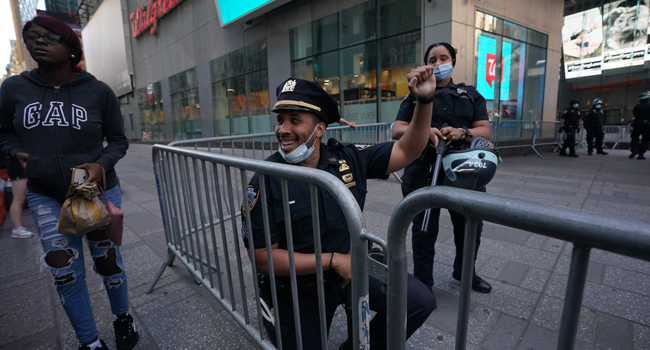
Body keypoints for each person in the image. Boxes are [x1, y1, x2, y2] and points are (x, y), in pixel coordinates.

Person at [242, 74, 437, 350]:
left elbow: (407, 149)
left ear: (319, 129)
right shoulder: (266, 179)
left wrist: (424, 100)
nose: (283, 129)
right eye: (280, 120)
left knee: (418, 302)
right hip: (300, 286)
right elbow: (262, 258)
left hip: (351, 267)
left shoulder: (347, 157)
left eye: (294, 120)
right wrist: (332, 260)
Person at [0, 15, 137, 350]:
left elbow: (118, 140)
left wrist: (100, 164)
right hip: (45, 193)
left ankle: (123, 317)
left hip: (93, 189)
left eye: (49, 36)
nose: (38, 41)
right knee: (65, 270)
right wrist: (17, 151)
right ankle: (89, 342)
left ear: (71, 47)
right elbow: (4, 131)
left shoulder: (98, 91)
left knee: (108, 262)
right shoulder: (14, 88)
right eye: (31, 36)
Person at [392, 42, 493, 294]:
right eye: (432, 60)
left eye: (443, 58)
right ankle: (423, 283)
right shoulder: (417, 93)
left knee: (470, 227)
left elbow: (485, 129)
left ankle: (465, 272)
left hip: (465, 172)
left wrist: (462, 132)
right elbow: (397, 129)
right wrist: (426, 131)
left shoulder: (471, 94)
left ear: (453, 61)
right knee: (424, 229)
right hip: (423, 171)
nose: (438, 64)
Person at [6, 155, 34, 238]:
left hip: (27, 162)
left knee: (20, 198)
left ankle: (18, 228)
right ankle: (17, 228)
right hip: (17, 165)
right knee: (19, 198)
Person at [630, 91, 650, 160]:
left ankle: (635, 149)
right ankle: (641, 154)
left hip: (637, 124)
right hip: (647, 125)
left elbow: (635, 115)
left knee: (634, 137)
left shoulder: (637, 107)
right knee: (645, 139)